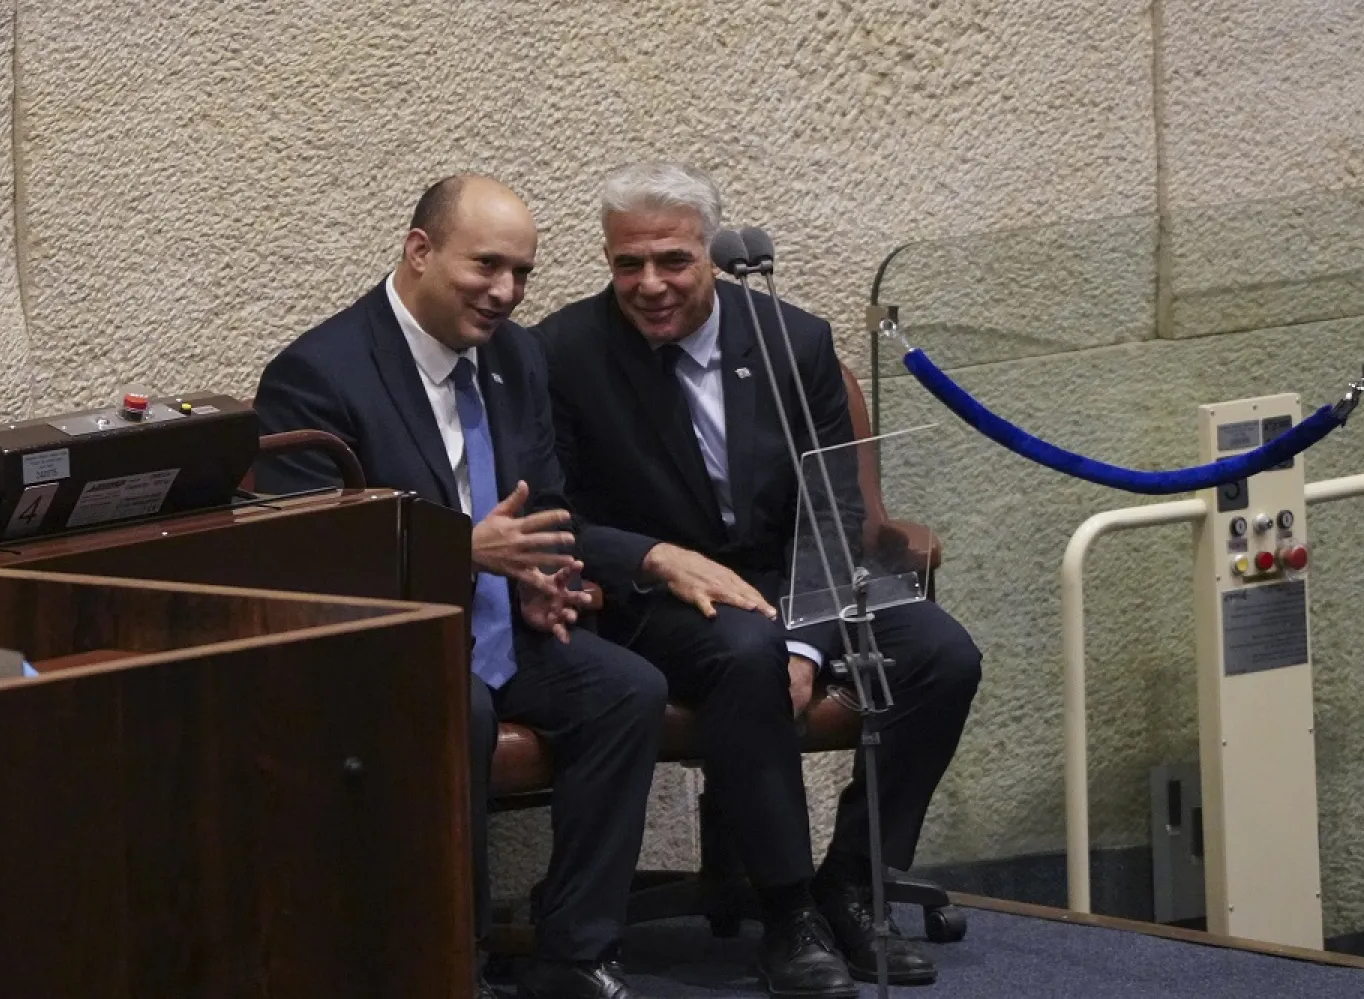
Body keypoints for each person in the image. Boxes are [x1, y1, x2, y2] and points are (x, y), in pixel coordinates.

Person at [533, 162, 983, 995]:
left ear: (710, 253)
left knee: (942, 653)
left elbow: (834, 504)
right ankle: (787, 913)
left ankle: (851, 883)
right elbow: (556, 512)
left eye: (673, 260)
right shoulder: (562, 353)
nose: (650, 284)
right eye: (627, 264)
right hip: (658, 596)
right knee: (745, 651)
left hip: (793, 576)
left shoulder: (792, 340)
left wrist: (808, 638)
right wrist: (649, 558)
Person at [251, 174, 667, 999]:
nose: (506, 293)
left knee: (628, 688)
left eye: (522, 274)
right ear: (419, 251)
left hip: (499, 628)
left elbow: (542, 500)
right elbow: (308, 557)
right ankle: (452, 960)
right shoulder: (317, 373)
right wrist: (461, 550)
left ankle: (574, 951)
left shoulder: (515, 357)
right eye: (487, 266)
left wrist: (547, 577)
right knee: (459, 706)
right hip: (391, 641)